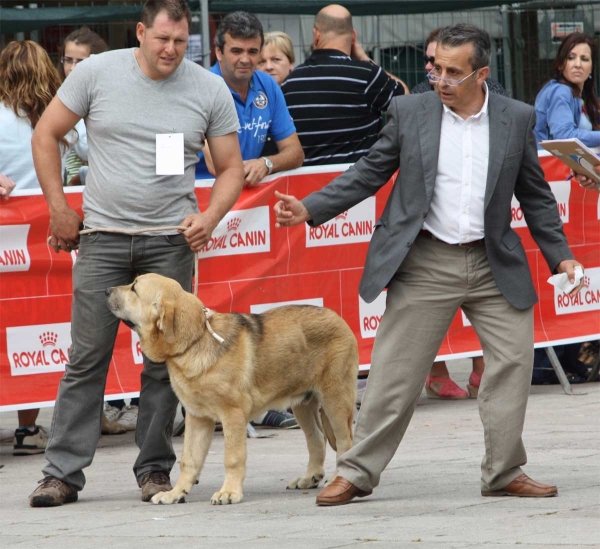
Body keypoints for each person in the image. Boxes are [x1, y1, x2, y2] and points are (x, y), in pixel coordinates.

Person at [274, 23, 584, 505]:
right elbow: (369, 172)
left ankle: (503, 471)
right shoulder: (410, 110)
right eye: (435, 67)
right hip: (425, 259)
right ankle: (356, 471)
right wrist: (310, 208)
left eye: (453, 72)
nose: (439, 79)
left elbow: (537, 197)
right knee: (394, 373)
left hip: (492, 261)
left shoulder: (516, 118)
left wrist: (561, 257)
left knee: (514, 364)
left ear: (481, 73)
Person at [28, 0, 244, 507]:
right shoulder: (98, 72)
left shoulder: (208, 87)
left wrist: (209, 218)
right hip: (101, 237)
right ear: (141, 32)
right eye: (161, 39)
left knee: (165, 364)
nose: (170, 50)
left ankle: (154, 471)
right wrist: (59, 207)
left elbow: (232, 166)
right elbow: (46, 134)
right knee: (87, 358)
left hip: (170, 244)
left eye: (179, 41)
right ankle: (61, 474)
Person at [0, 41, 78, 456]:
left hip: (7, 245)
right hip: (50, 240)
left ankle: (23, 425)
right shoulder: (58, 122)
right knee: (36, 329)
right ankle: (28, 428)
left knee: (6, 330)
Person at [281, 4, 408, 166]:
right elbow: (405, 100)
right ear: (353, 36)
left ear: (316, 35)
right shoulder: (368, 76)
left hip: (307, 185)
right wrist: (364, 58)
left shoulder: (290, 83)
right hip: (358, 184)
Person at [195, 11, 304, 187]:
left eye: (252, 51)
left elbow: (296, 153)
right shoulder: (202, 89)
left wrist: (266, 164)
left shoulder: (267, 84)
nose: (245, 59)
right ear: (219, 52)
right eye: (236, 51)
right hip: (203, 194)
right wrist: (257, 167)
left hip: (249, 196)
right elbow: (219, 167)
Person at [58, 26, 108, 186]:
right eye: (68, 60)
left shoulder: (106, 97)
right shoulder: (56, 96)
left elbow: (87, 150)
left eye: (80, 62)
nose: (72, 68)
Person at [534, 32, 599, 148]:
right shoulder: (560, 91)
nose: (578, 64)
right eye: (571, 58)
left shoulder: (580, 95)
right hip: (550, 164)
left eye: (584, 59)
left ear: (591, 68)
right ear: (560, 64)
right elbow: (564, 136)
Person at [411, 28, 508, 96]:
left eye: (434, 61)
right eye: (426, 60)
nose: (427, 66)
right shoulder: (419, 92)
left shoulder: (492, 91)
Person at [257, 31, 295, 158]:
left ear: (291, 63)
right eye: (261, 62)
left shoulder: (299, 96)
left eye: (276, 60)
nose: (268, 67)